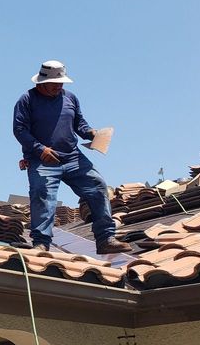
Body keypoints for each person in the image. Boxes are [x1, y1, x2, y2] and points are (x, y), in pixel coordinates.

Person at [13, 60, 132, 255]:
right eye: (54, 83)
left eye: (61, 83)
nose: (58, 87)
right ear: (41, 82)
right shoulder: (27, 100)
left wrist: (92, 133)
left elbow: (80, 124)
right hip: (42, 159)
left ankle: (105, 239)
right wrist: (40, 149)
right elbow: (19, 130)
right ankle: (41, 243)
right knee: (42, 194)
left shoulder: (70, 98)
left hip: (72, 157)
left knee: (98, 186)